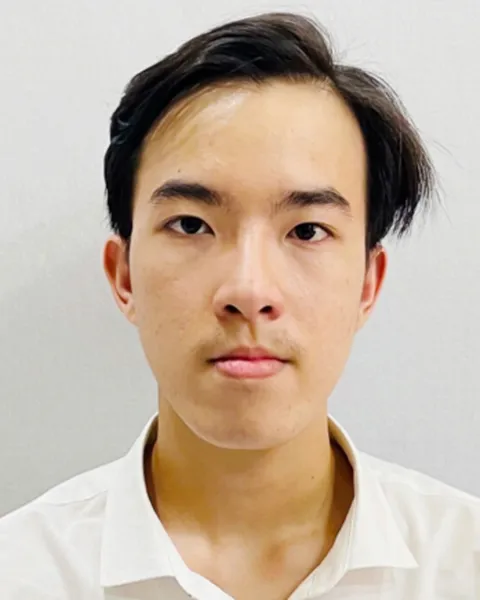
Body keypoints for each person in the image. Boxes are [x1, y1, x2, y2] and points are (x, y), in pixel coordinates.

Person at [0, 10, 478, 599]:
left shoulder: (462, 565)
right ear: (124, 277)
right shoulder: (21, 574)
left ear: (367, 284)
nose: (250, 291)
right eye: (191, 224)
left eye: (307, 230)